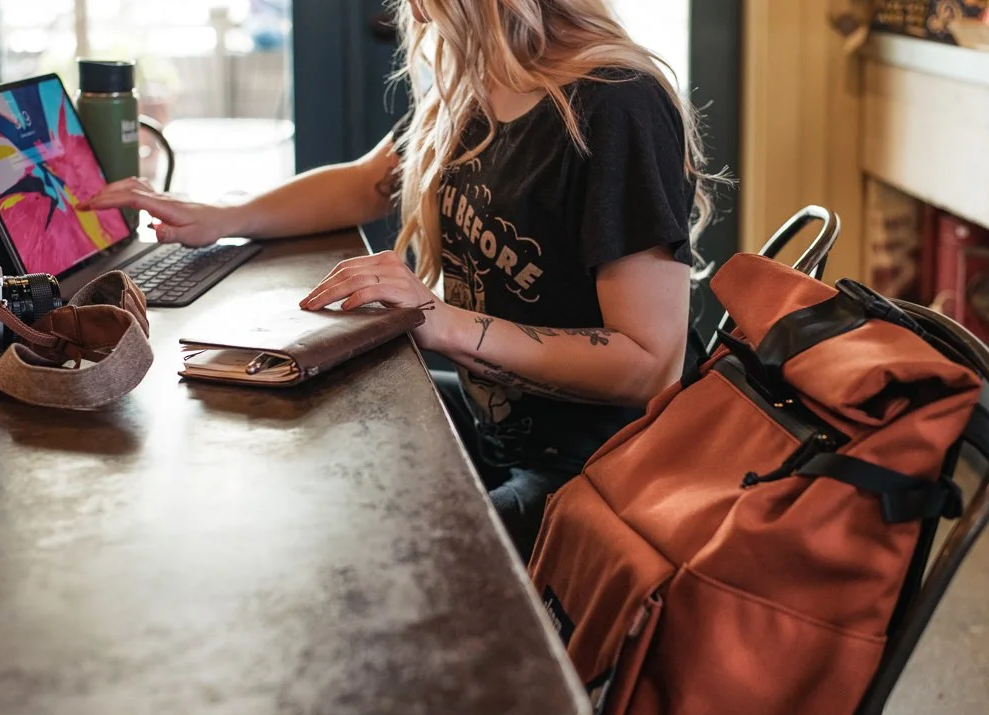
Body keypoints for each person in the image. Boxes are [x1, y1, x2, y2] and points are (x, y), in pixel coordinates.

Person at [83, 0, 719, 559]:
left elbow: (649, 364)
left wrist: (441, 321)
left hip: (597, 465)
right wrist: (220, 218)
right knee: (312, 431)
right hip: (503, 429)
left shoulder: (615, 102)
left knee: (380, 550)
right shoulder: (478, 80)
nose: (413, 13)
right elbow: (366, 183)